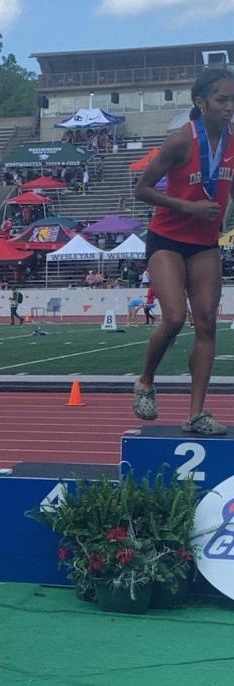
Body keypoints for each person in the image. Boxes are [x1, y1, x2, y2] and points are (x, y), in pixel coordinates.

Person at [133, 67, 234, 435]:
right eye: (223, 99)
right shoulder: (180, 141)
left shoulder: (233, 144)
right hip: (167, 239)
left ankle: (196, 414)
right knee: (175, 317)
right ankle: (145, 379)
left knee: (207, 323)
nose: (230, 107)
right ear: (200, 102)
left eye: (233, 100)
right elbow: (141, 190)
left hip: (205, 244)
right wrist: (189, 207)